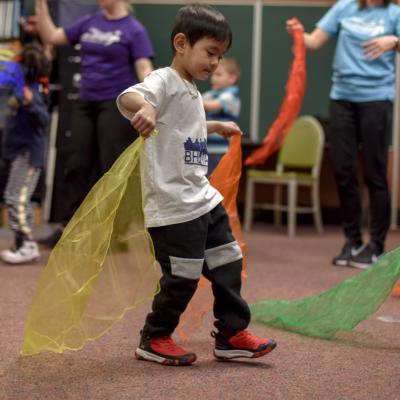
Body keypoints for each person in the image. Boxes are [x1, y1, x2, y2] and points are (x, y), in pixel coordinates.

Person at [117, 4, 277, 366]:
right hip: (173, 204)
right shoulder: (165, 80)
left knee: (228, 260)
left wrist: (213, 127)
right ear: (181, 43)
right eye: (210, 53)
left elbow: (184, 130)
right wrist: (146, 108)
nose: (216, 63)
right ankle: (154, 336)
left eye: (221, 56)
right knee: (183, 277)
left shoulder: (190, 89)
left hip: (201, 197)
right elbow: (129, 97)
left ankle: (231, 334)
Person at [287, 0, 400, 269]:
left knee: (375, 173)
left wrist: (394, 41)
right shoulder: (345, 7)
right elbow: (314, 42)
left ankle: (375, 246)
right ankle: (352, 241)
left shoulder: (394, 13)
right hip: (342, 99)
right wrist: (298, 32)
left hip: (377, 99)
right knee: (343, 171)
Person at [34, 0, 154, 248]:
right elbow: (52, 36)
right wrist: (41, 5)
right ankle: (68, 228)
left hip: (116, 103)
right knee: (75, 161)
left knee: (109, 165)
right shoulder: (89, 22)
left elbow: (143, 67)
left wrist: (151, 100)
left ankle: (114, 233)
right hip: (85, 101)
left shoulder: (134, 29)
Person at [0, 42, 51, 264]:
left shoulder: (34, 92)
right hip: (18, 152)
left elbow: (43, 120)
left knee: (18, 198)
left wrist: (30, 103)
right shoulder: (17, 86)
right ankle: (22, 241)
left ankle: (27, 243)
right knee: (13, 196)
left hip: (29, 155)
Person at [202, 57, 241, 176]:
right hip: (207, 149)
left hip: (222, 150)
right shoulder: (209, 94)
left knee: (218, 183)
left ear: (232, 78)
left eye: (218, 74)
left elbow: (214, 105)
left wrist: (193, 101)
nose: (213, 78)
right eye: (212, 74)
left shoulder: (231, 96)